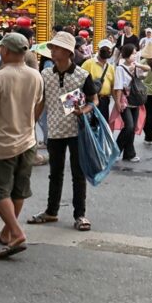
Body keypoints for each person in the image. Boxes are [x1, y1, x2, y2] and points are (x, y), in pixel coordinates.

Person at [0, 33, 44, 259]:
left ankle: (16, 232)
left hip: (3, 142)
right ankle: (7, 232)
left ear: (5, 51)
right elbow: (39, 104)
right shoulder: (36, 76)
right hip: (28, 141)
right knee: (19, 189)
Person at [27, 31, 97, 231]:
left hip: (77, 131)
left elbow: (94, 100)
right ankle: (51, 211)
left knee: (78, 173)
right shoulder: (45, 74)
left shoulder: (82, 75)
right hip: (55, 130)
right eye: (53, 48)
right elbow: (41, 101)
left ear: (67, 52)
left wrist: (82, 110)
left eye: (56, 48)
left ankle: (80, 215)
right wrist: (29, 123)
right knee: (55, 173)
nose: (53, 51)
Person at [113, 42, 145, 162]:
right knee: (129, 126)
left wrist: (137, 66)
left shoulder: (135, 66)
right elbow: (118, 87)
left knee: (132, 128)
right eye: (133, 54)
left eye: (136, 53)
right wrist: (117, 103)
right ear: (126, 55)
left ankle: (129, 154)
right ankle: (115, 151)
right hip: (124, 101)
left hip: (135, 100)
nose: (135, 56)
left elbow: (147, 71)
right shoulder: (120, 69)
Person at [84, 39, 116, 121]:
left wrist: (117, 102)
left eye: (108, 50)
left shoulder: (111, 67)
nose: (106, 51)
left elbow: (112, 87)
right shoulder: (88, 63)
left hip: (105, 101)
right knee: (92, 126)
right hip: (90, 100)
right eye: (103, 49)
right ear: (98, 50)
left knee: (103, 125)